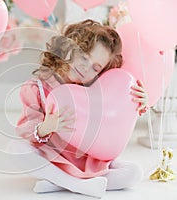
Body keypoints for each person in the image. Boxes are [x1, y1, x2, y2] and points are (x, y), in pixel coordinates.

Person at [15, 19, 148, 198]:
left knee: (134, 173)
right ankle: (74, 183)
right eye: (84, 57)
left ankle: (62, 183)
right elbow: (26, 129)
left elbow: (115, 117)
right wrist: (46, 127)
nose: (86, 67)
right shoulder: (36, 88)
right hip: (53, 157)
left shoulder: (93, 91)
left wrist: (139, 101)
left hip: (88, 158)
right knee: (17, 148)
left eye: (96, 67)